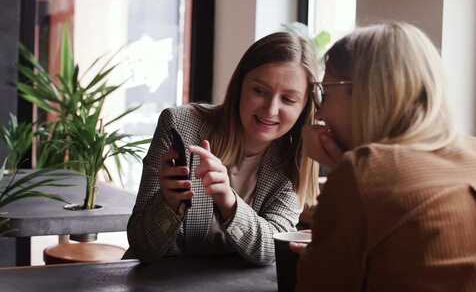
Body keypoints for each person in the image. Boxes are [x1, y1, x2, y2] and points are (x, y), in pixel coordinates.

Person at [294, 22, 476, 291]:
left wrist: (346, 171)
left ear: (367, 94)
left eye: (326, 93)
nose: (319, 114)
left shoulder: (364, 174)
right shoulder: (471, 152)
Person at [125, 32, 320, 265]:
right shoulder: (179, 125)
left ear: (304, 107)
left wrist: (229, 201)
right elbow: (141, 244)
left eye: (288, 99)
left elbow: (273, 251)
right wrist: (167, 204)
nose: (270, 109)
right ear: (240, 86)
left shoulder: (294, 160)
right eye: (259, 91)